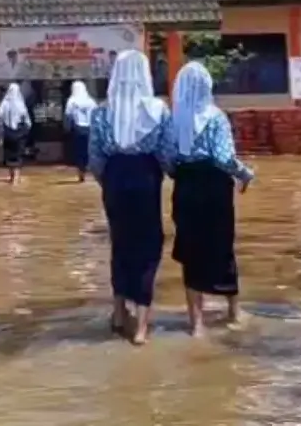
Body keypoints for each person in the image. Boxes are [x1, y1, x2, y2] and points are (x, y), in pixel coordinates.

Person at [161, 61, 254, 336]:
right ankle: (234, 312)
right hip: (214, 186)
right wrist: (245, 175)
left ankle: (196, 323)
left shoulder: (172, 119)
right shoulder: (215, 117)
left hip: (186, 185)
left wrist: (179, 176)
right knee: (222, 245)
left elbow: (166, 158)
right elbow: (224, 158)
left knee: (190, 251)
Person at [88, 50, 170, 345]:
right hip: (146, 177)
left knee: (120, 243)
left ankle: (119, 311)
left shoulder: (101, 112)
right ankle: (142, 327)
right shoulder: (158, 109)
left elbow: (95, 159)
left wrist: (106, 182)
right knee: (148, 246)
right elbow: (166, 154)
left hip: (114, 177)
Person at [0, 83, 32, 185]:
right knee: (18, 154)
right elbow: (27, 121)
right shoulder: (20, 104)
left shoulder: (4, 104)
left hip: (7, 133)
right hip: (19, 133)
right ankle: (16, 178)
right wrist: (25, 131)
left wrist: (1, 133)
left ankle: (12, 177)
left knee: (9, 155)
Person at [64, 80, 98, 182]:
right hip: (90, 128)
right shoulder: (90, 101)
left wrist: (67, 127)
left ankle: (81, 173)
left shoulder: (72, 101)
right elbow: (96, 115)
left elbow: (68, 116)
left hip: (78, 128)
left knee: (79, 151)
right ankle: (92, 173)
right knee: (90, 150)